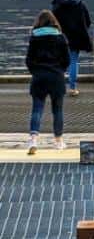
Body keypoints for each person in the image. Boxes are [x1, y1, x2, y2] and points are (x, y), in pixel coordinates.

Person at [26, 10, 70, 154]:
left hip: (39, 77)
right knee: (57, 110)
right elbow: (67, 60)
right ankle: (58, 141)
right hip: (56, 77)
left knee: (37, 109)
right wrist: (60, 71)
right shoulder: (60, 38)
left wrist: (36, 71)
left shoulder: (34, 38)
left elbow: (29, 60)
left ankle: (33, 139)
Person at [51, 0, 92, 97]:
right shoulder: (80, 4)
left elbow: (52, 20)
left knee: (59, 62)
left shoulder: (58, 4)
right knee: (73, 61)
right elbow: (87, 21)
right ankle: (73, 88)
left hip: (60, 36)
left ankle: (56, 86)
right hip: (75, 37)